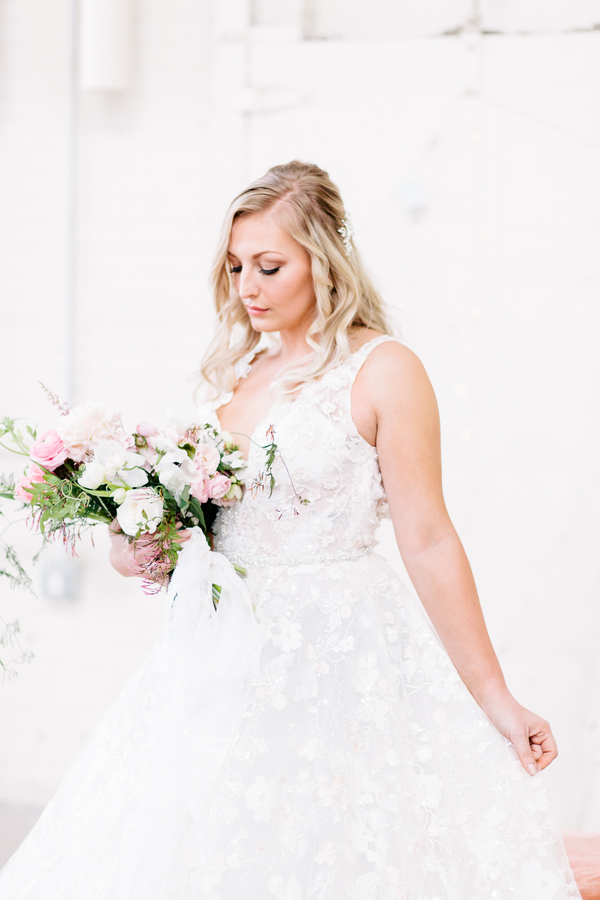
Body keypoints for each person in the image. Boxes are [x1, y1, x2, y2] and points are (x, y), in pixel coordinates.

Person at [0, 160, 581, 899]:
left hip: (338, 654)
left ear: (324, 259)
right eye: (236, 266)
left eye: (269, 266)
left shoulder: (384, 369)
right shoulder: (235, 375)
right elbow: (192, 539)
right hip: (218, 657)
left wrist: (497, 697)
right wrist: (136, 541)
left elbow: (429, 538)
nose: (247, 286)